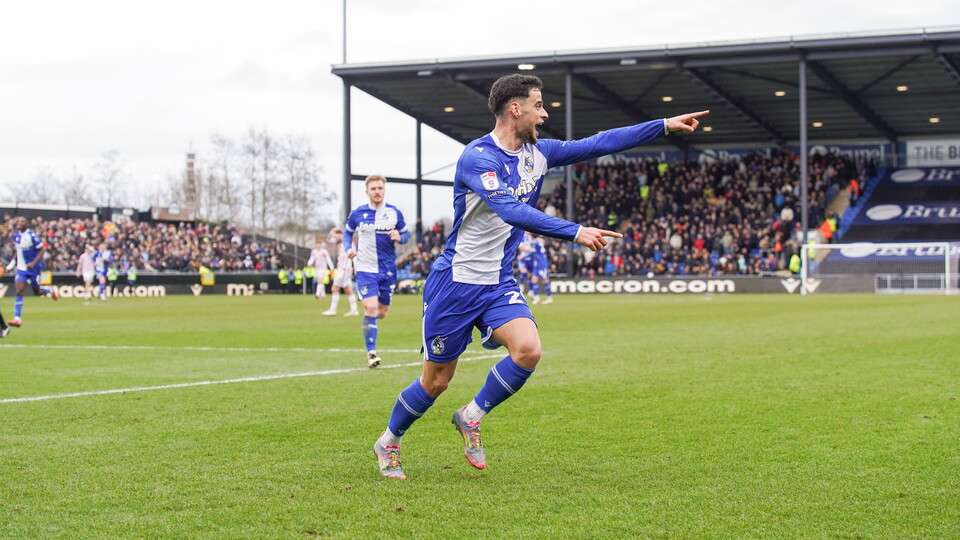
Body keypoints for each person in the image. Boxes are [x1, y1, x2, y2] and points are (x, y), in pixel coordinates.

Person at [372, 73, 707, 479]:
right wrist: (575, 230)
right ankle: (389, 441)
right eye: (539, 106)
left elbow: (599, 142)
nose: (544, 114)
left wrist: (664, 125)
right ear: (516, 109)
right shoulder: (479, 157)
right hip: (455, 284)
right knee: (436, 382)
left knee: (528, 350)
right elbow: (510, 210)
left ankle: (471, 416)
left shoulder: (539, 152)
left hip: (497, 282)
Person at [343, 174, 410, 368]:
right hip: (365, 268)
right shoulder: (358, 214)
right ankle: (371, 353)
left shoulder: (394, 213)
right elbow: (347, 233)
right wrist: (349, 248)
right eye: (373, 189)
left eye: (380, 188)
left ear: (384, 190)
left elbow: (406, 235)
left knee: (382, 312)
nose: (377, 191)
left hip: (387, 270)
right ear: (367, 192)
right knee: (370, 308)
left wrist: (400, 236)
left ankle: (371, 317)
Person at [8, 216, 59, 327]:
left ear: (27, 224)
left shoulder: (32, 236)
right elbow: (17, 251)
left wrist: (33, 263)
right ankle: (17, 318)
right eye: (18, 221)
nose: (19, 223)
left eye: (22, 221)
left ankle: (48, 290)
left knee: (37, 292)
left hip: (33, 269)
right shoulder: (16, 236)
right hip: (21, 269)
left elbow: (41, 249)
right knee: (19, 290)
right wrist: (12, 263)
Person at [322, 227, 360, 317]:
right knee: (348, 290)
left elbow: (354, 255)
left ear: (340, 235)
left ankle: (333, 310)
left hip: (344, 269)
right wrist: (332, 231)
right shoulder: (339, 243)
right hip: (342, 269)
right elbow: (328, 239)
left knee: (334, 288)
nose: (334, 238)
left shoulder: (348, 242)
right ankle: (354, 310)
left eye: (335, 236)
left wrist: (356, 268)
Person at [528, 234, 553, 304]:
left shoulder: (534, 242)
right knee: (534, 279)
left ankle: (549, 297)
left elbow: (531, 252)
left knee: (544, 280)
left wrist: (523, 256)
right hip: (538, 262)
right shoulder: (539, 240)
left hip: (541, 263)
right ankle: (536, 297)